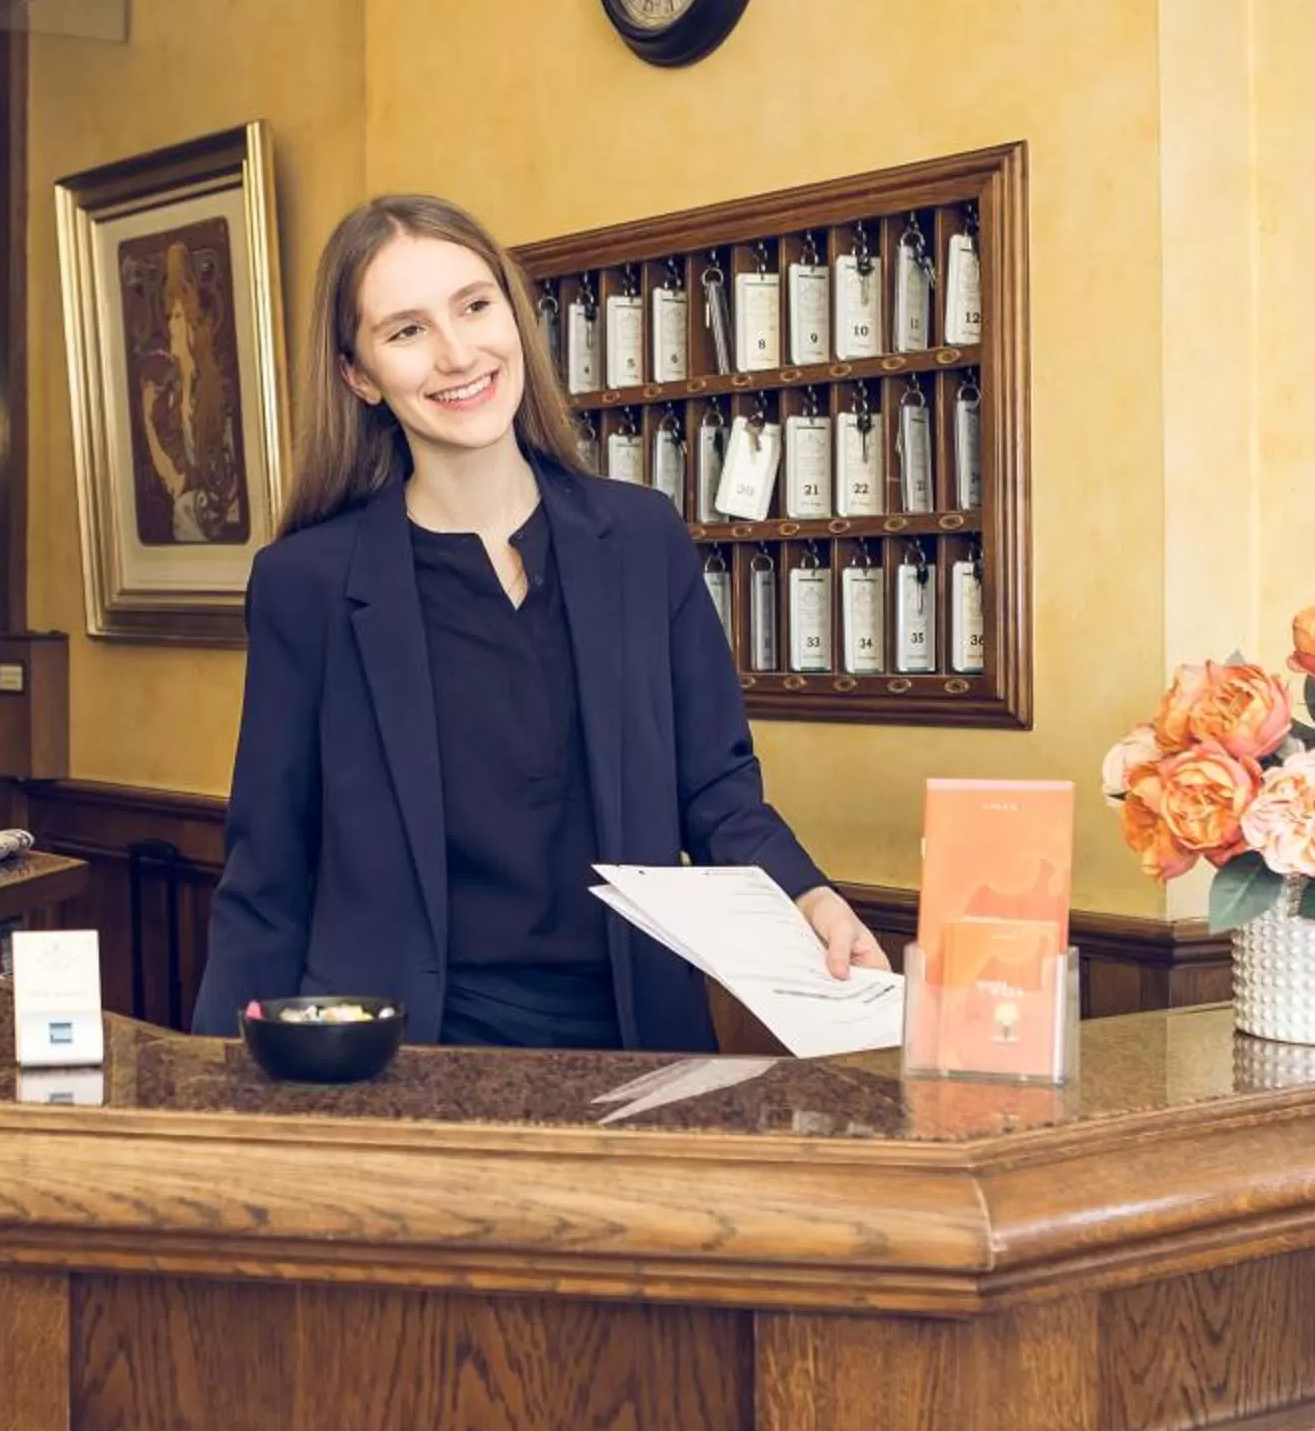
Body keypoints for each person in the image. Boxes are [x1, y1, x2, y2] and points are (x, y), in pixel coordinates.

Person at [190, 194, 885, 1051]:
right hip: (400, 1057)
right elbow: (269, 873)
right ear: (359, 375)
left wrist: (809, 895)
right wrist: (220, 1083)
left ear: (514, 318)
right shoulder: (306, 585)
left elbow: (714, 789)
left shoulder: (641, 538)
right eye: (406, 331)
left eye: (475, 306)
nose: (456, 353)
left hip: (638, 1042)